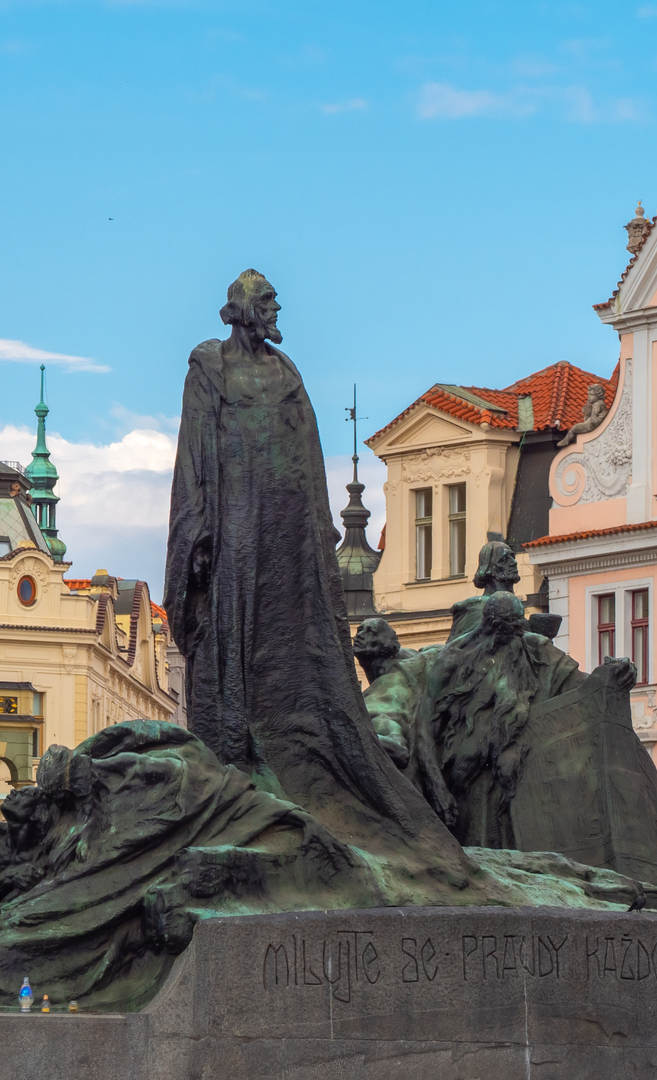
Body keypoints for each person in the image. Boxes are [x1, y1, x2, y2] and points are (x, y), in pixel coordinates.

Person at [163, 270, 467, 877]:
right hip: (234, 522)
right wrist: (198, 526)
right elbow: (194, 448)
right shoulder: (210, 365)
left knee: (292, 640)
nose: (277, 308)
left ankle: (293, 760)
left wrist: (317, 532)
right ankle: (237, 756)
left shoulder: (287, 372)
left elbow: (306, 456)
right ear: (242, 309)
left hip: (285, 526)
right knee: (232, 634)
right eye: (268, 300)